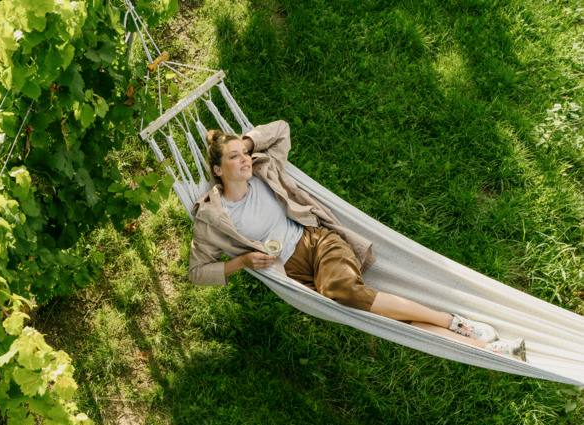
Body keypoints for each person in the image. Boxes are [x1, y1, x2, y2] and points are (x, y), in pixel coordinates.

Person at [190, 121, 526, 361]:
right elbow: (197, 271)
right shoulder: (212, 216)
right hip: (294, 274)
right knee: (386, 319)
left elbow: (280, 129)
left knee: (344, 291)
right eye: (233, 157)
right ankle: (487, 348)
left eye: (244, 153)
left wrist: (246, 143)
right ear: (218, 170)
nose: (244, 159)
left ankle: (453, 321)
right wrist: (242, 262)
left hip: (318, 242)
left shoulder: (264, 168)